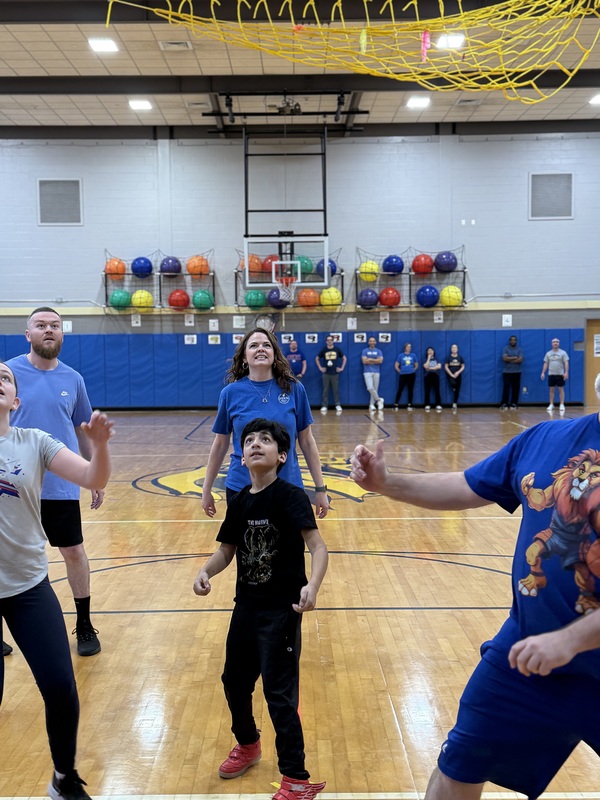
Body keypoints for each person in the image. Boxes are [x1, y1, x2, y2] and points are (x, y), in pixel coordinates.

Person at [349, 380, 600, 800]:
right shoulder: (545, 439)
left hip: (575, 655)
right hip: (527, 655)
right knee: (457, 768)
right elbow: (469, 486)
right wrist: (387, 484)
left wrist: (573, 639)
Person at [194, 418, 328, 800]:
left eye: (265, 440)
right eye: (248, 440)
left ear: (281, 455)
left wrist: (312, 586)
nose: (255, 444)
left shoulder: (290, 497)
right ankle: (249, 744)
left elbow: (318, 547)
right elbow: (226, 551)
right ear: (240, 456)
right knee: (233, 683)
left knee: (279, 694)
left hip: (281, 613)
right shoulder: (239, 502)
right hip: (245, 609)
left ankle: (297, 780)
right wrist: (206, 571)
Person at [0, 360, 113, 800]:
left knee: (62, 689)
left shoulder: (34, 441)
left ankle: (64, 779)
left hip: (28, 587)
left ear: (16, 399)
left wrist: (99, 446)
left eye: (5, 378)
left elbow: (92, 477)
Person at [6, 307, 104, 657]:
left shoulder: (73, 379)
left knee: (74, 552)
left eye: (55, 326)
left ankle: (84, 624)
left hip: (59, 485)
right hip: (13, 485)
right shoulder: (8, 374)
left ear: (62, 334)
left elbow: (83, 429)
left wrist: (94, 473)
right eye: (41, 325)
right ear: (28, 334)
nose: (49, 330)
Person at [201, 328, 329, 520]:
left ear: (274, 354)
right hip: (241, 486)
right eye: (253, 345)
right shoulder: (230, 393)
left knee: (291, 550)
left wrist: (320, 489)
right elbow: (220, 444)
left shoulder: (294, 388)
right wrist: (206, 488)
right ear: (244, 357)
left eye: (266, 345)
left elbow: (307, 441)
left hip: (288, 485)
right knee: (247, 548)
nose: (260, 349)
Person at [315, 335, 346, 413]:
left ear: (333, 341)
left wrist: (341, 368)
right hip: (326, 373)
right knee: (325, 390)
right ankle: (324, 405)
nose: (329, 341)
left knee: (336, 390)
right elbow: (317, 358)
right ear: (326, 341)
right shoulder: (324, 350)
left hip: (335, 373)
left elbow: (344, 358)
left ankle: (337, 405)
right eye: (328, 340)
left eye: (331, 340)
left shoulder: (337, 349)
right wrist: (320, 368)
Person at [541, 337, 569, 413]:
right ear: (552, 344)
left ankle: (562, 404)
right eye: (554, 342)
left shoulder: (563, 353)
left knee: (561, 389)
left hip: (560, 374)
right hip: (551, 374)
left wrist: (566, 372)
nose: (555, 343)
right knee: (551, 390)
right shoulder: (548, 353)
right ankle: (551, 404)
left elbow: (566, 362)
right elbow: (546, 363)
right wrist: (543, 372)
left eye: (557, 342)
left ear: (559, 343)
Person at [500, 335, 524, 410]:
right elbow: (504, 358)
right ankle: (504, 403)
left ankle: (514, 403)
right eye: (511, 340)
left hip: (517, 372)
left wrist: (509, 359)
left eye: (514, 340)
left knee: (515, 388)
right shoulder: (505, 348)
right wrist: (515, 357)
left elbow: (520, 360)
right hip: (507, 372)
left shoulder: (519, 349)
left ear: (516, 341)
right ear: (509, 341)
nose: (513, 341)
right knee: (506, 388)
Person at [361, 336, 384, 412]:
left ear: (375, 342)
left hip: (376, 371)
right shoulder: (365, 351)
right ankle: (379, 400)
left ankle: (371, 404)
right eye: (370, 341)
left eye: (373, 341)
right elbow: (364, 361)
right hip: (367, 371)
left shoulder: (379, 351)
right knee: (370, 388)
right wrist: (375, 360)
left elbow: (380, 361)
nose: (372, 342)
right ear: (368, 342)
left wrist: (370, 359)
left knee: (375, 389)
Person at [393, 343, 418, 410]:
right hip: (403, 375)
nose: (409, 348)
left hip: (411, 374)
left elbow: (416, 365)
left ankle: (410, 404)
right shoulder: (401, 355)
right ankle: (396, 404)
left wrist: (413, 370)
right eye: (408, 347)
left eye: (410, 347)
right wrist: (400, 371)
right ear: (405, 348)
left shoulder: (413, 355)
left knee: (410, 389)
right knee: (400, 388)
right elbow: (396, 365)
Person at [444, 343, 465, 410]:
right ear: (451, 349)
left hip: (458, 375)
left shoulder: (460, 357)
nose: (454, 348)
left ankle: (454, 403)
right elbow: (446, 366)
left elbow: (463, 366)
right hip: (450, 375)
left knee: (457, 390)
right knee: (453, 384)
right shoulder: (448, 357)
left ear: (457, 349)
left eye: (455, 347)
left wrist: (458, 372)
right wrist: (451, 374)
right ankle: (454, 387)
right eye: (453, 347)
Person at [422, 347, 442, 412]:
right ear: (427, 352)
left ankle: (438, 404)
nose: (430, 352)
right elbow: (425, 366)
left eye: (431, 350)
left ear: (433, 352)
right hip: (427, 376)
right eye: (429, 351)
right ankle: (427, 404)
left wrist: (430, 368)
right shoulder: (425, 359)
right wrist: (428, 358)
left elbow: (439, 366)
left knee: (437, 390)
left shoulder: (436, 359)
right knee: (427, 390)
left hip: (435, 375)